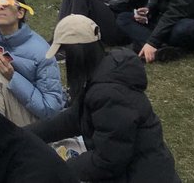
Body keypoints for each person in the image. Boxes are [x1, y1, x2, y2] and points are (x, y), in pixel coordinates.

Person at [29, 15, 181, 182]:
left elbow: (108, 160)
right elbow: (74, 118)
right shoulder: (102, 74)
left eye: (66, 54)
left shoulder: (109, 93)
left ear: (78, 52)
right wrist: (24, 135)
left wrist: (58, 169)